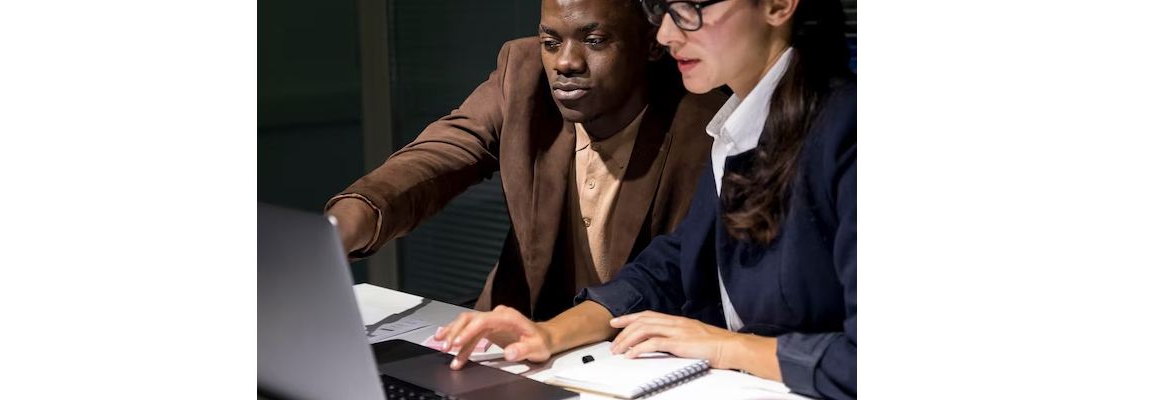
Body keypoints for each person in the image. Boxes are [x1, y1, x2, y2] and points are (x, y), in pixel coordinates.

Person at [431, 0, 857, 398]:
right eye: (664, 9)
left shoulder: (850, 131)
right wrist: (549, 333)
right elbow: (671, 266)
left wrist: (725, 346)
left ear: (778, 5)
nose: (667, 33)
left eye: (689, 8)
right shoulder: (742, 127)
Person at [326, 0, 727, 320]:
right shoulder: (524, 76)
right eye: (550, 42)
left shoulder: (704, 119)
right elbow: (442, 153)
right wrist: (347, 223)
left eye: (594, 40)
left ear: (652, 43)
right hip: (516, 335)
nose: (565, 62)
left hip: (636, 355)